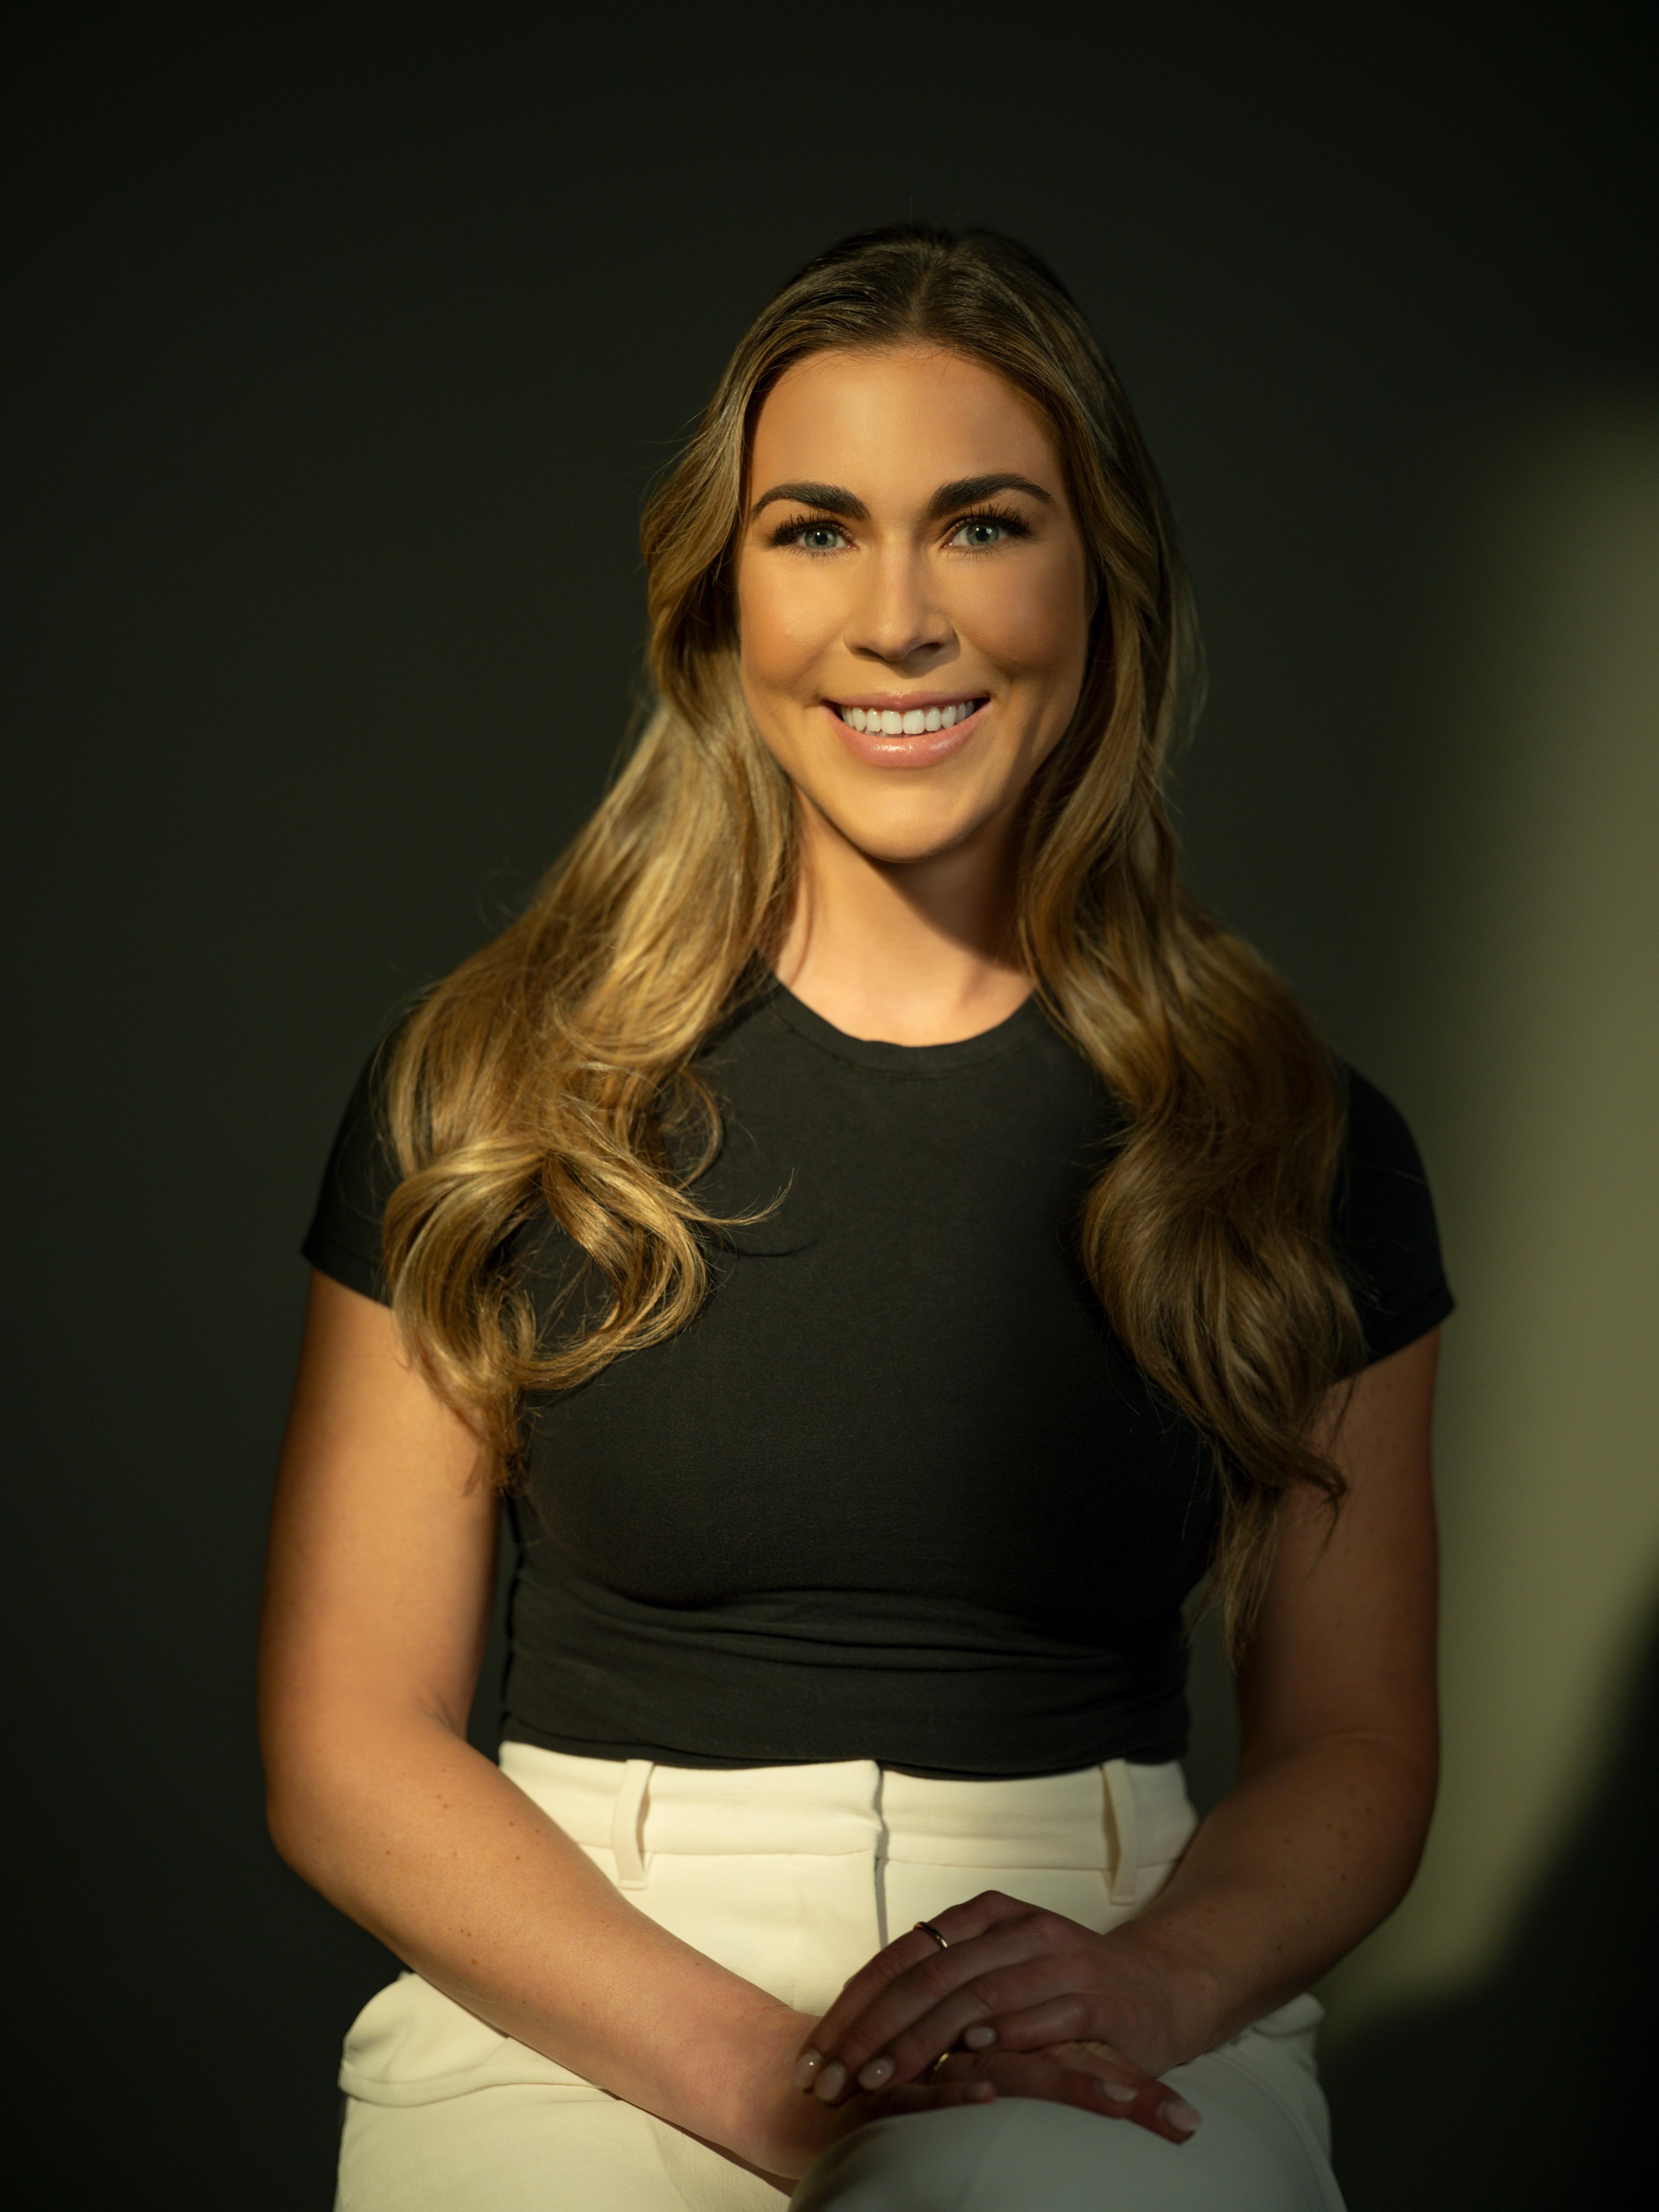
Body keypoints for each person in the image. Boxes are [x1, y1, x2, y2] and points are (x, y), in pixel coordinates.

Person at [258, 224, 1452, 2212]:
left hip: (1091, 1962)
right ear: (723, 597)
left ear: (1100, 582)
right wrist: (772, 2073)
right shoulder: (485, 1093)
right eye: (816, 530)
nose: (899, 619)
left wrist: (1154, 1980)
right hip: (569, 1973)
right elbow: (346, 1735)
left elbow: (1355, 1748)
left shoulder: (1295, 1141)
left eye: (982, 525)